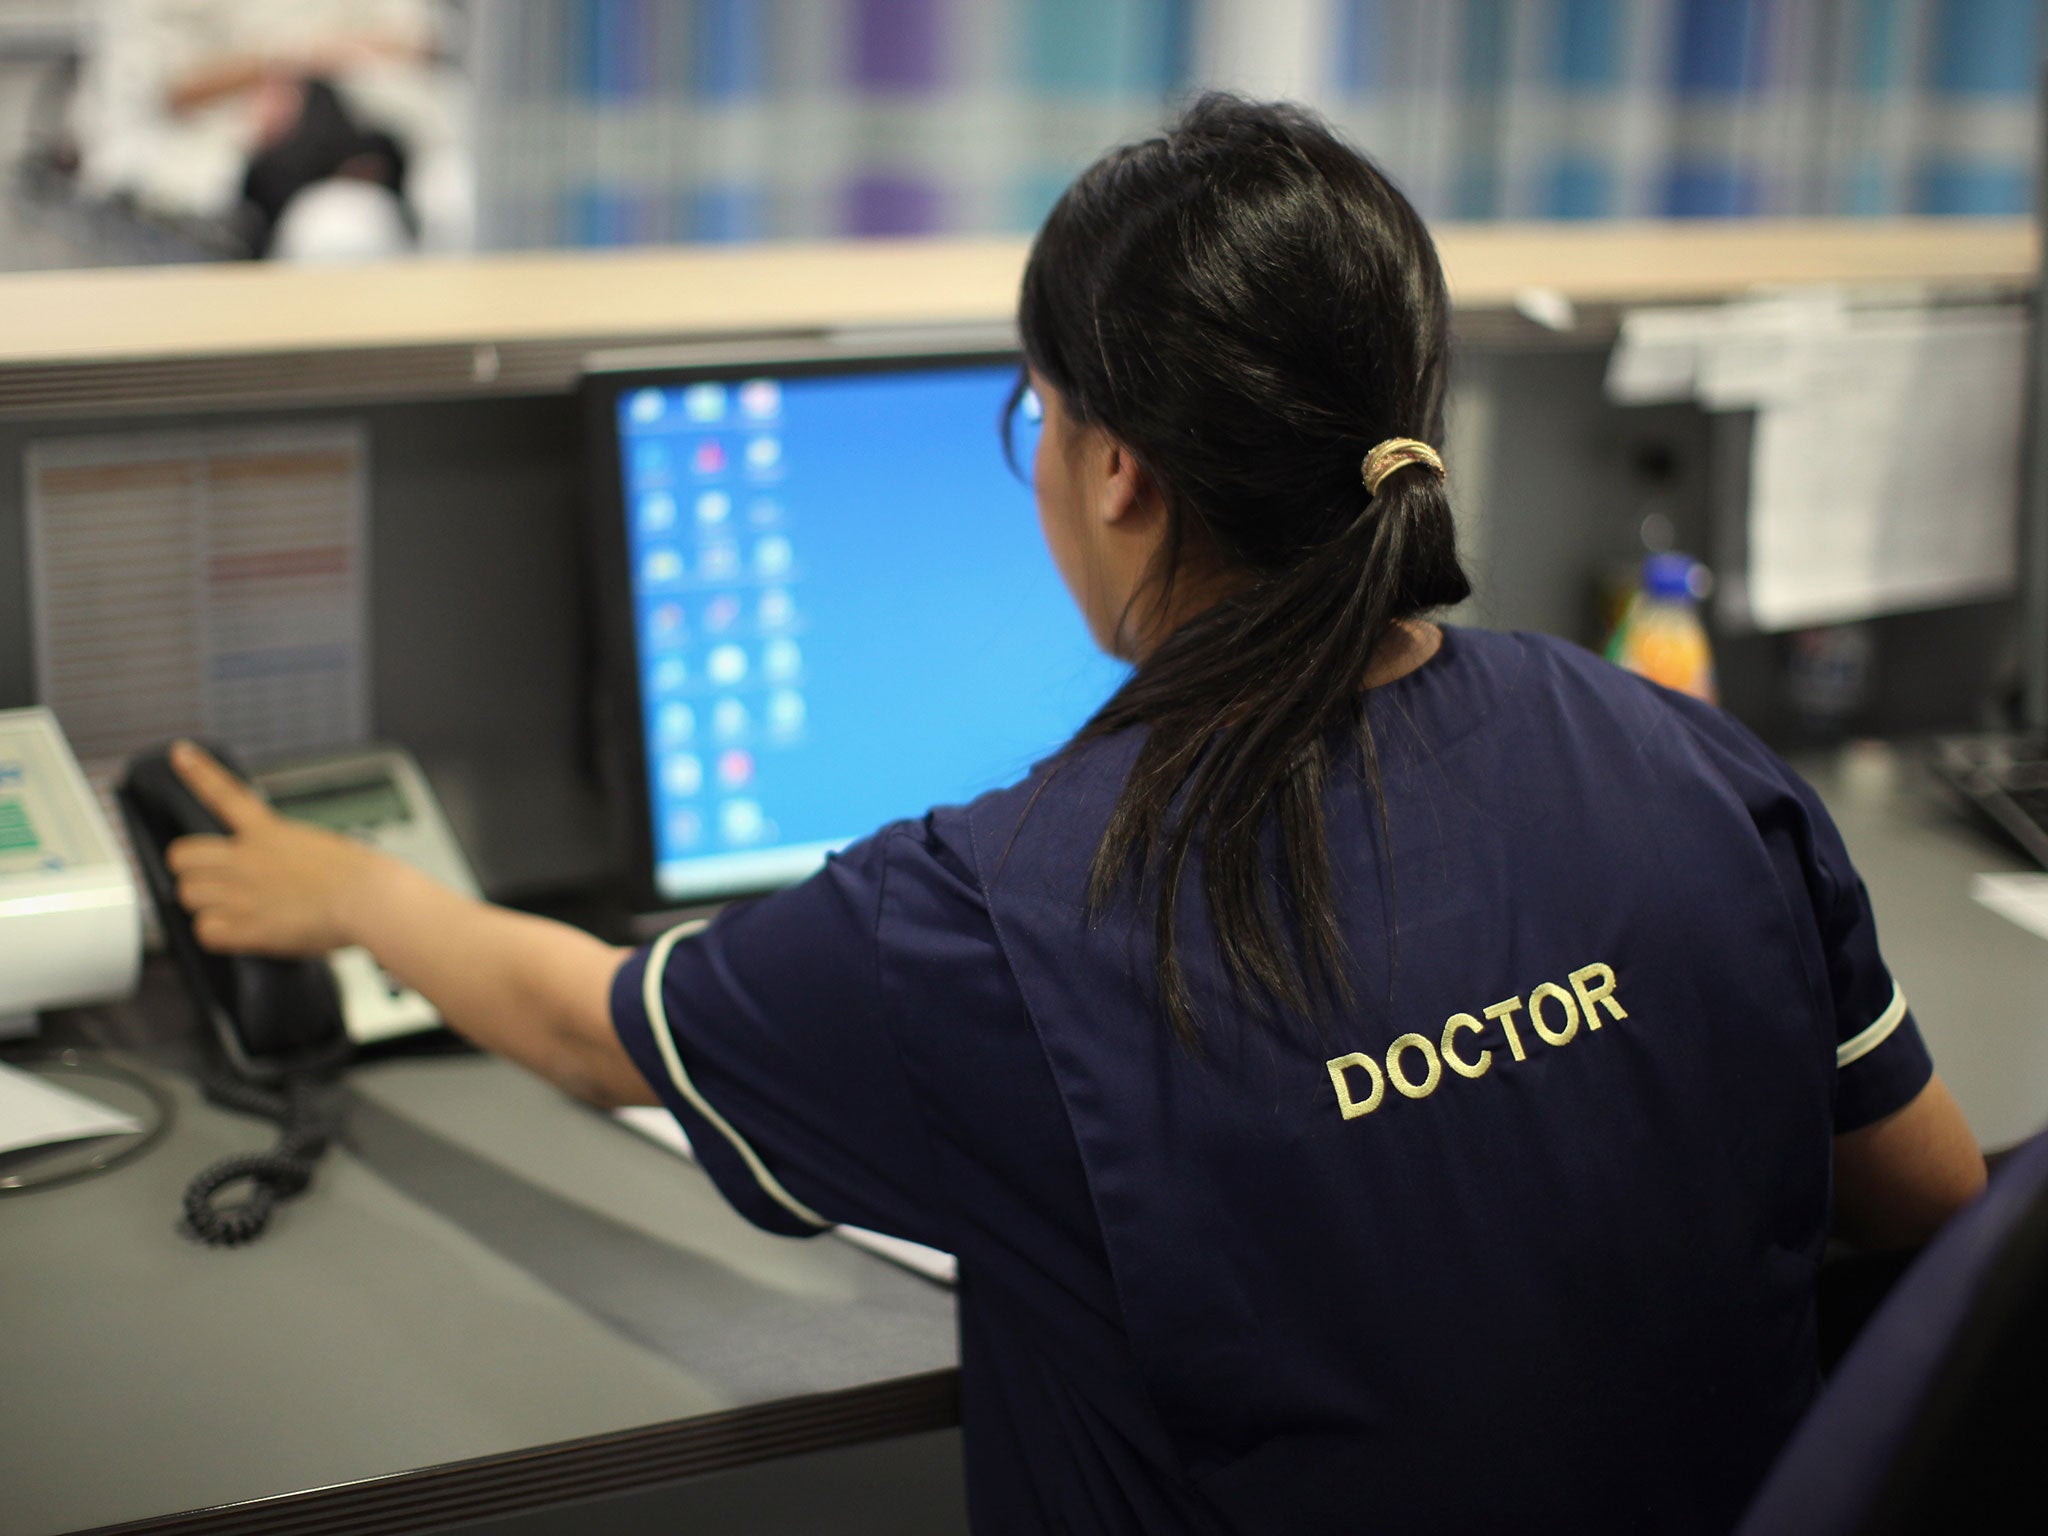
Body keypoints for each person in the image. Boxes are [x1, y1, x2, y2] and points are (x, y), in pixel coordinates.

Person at [161, 97, 1986, 1535]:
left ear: (1113, 466)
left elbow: (589, 1029)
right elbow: (1933, 1208)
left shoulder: (992, 923)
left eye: (1036, 409)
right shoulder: (1676, 747)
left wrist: (355, 891)